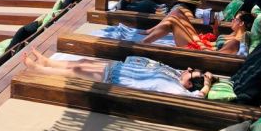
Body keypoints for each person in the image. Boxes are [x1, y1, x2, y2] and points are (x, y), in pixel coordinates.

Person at [22, 48, 215, 98]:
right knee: (83, 62)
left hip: (115, 78)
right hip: (120, 68)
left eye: (192, 74)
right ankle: (49, 62)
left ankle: (39, 69)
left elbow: (196, 97)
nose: (188, 70)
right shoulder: (175, 75)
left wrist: (206, 85)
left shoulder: (176, 89)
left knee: (77, 70)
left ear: (189, 84)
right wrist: (203, 75)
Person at [142, 6, 254, 55]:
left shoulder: (237, 41)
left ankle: (143, 44)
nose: (233, 20)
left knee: (172, 21)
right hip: (202, 42)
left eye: (236, 19)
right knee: (177, 12)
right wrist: (215, 29)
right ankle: (149, 31)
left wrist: (200, 44)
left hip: (199, 49)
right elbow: (217, 42)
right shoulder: (235, 33)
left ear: (242, 23)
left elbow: (217, 56)